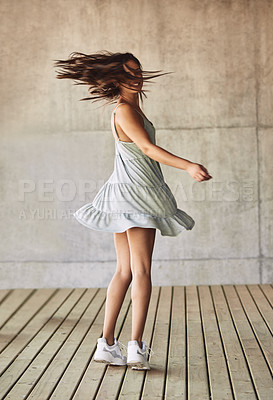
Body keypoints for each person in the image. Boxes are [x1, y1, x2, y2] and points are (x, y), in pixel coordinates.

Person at [54, 51, 212, 370]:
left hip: (125, 193)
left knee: (125, 271)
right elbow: (147, 149)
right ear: (115, 78)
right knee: (140, 271)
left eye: (137, 70)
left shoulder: (131, 109)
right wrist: (188, 165)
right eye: (128, 73)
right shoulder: (125, 110)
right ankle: (135, 346)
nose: (136, 77)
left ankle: (106, 344)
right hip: (135, 196)